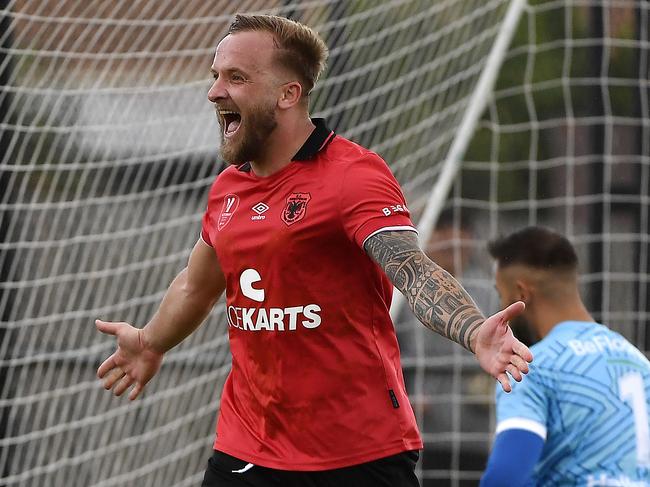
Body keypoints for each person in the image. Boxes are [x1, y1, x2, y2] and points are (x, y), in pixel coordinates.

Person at [96, 14, 532, 487]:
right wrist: (152, 340)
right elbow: (196, 285)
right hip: (246, 450)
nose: (215, 92)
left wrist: (472, 331)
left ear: (288, 94)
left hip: (356, 454)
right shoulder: (227, 189)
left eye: (236, 77)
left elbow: (411, 268)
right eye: (215, 76)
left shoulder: (353, 174)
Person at [481, 226, 650, 486]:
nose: (501, 306)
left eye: (501, 294)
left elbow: (505, 478)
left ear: (521, 294)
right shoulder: (639, 363)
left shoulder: (531, 368)